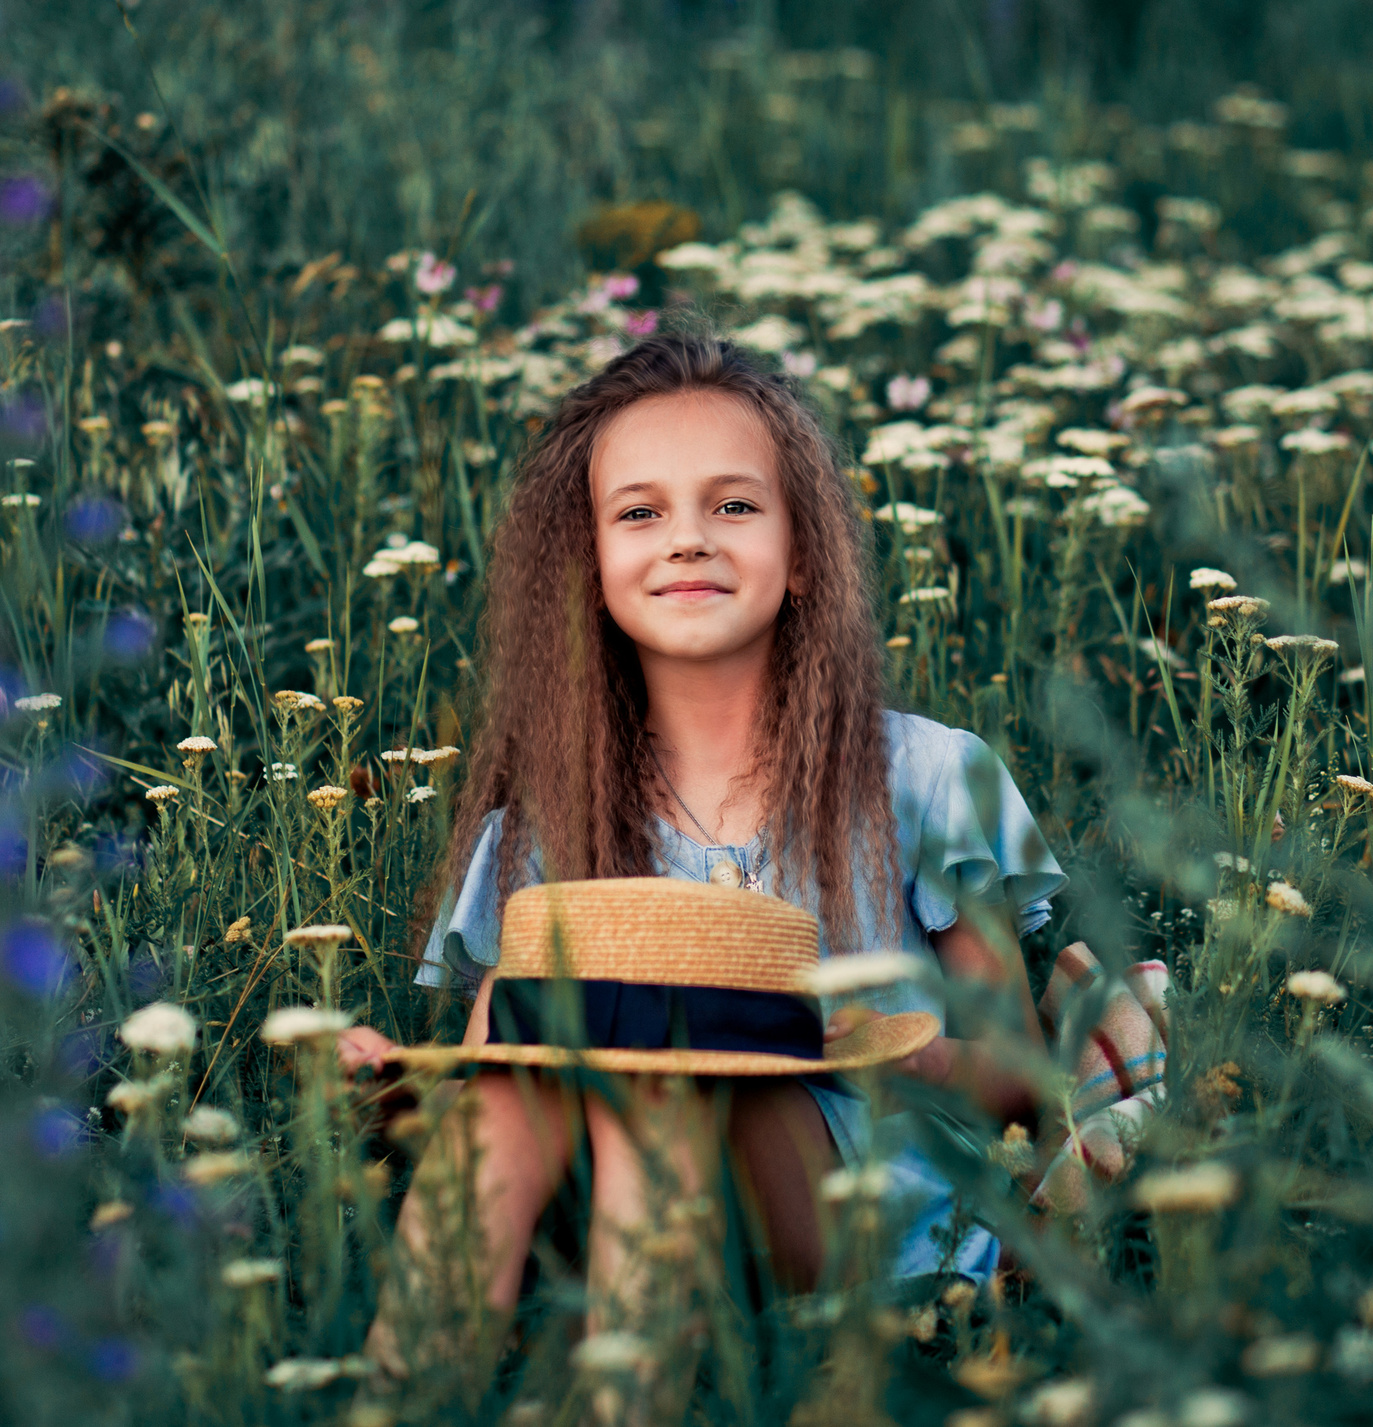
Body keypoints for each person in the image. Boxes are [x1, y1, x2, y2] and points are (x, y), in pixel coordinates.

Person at [336, 331, 1065, 1356]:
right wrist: (401, 1092)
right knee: (509, 1092)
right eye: (640, 513)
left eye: (733, 505)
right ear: (589, 570)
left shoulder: (929, 776)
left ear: (803, 554)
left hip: (873, 1205)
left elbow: (1021, 1077)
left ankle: (628, 1397)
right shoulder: (546, 825)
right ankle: (405, 1389)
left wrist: (869, 1037)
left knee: (680, 1073)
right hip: (629, 1182)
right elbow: (503, 1051)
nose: (687, 540)